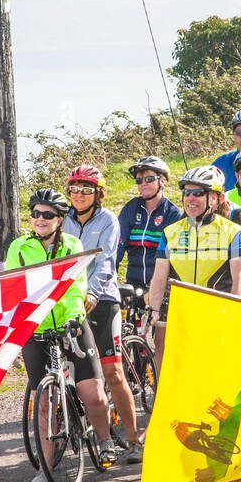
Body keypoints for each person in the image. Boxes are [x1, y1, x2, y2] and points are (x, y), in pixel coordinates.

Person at [8, 189, 116, 482]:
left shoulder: (72, 245)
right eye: (35, 214)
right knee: (44, 402)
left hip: (72, 323)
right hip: (36, 330)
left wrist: (72, 318)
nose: (40, 219)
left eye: (48, 215)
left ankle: (105, 440)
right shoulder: (19, 247)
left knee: (91, 392)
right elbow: (14, 290)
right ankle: (46, 467)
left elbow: (75, 287)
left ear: (60, 220)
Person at [64, 165, 142, 464]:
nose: (79, 195)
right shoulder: (62, 218)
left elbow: (107, 260)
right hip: (71, 302)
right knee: (75, 372)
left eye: (86, 189)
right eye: (74, 189)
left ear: (98, 193)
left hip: (103, 300)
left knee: (112, 371)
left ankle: (133, 439)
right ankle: (99, 434)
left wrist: (93, 292)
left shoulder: (108, 219)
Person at [148, 164, 241, 372]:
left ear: (217, 199)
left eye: (198, 193)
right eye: (187, 192)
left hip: (216, 309)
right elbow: (159, 277)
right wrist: (154, 309)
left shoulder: (232, 231)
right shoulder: (171, 232)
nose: (190, 198)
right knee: (170, 356)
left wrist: (234, 314)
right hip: (184, 311)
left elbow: (239, 278)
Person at [116, 156, 181, 294]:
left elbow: (176, 259)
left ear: (162, 181)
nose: (143, 183)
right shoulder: (130, 209)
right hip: (132, 284)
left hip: (161, 286)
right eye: (139, 180)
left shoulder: (172, 213)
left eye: (149, 179)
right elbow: (117, 249)